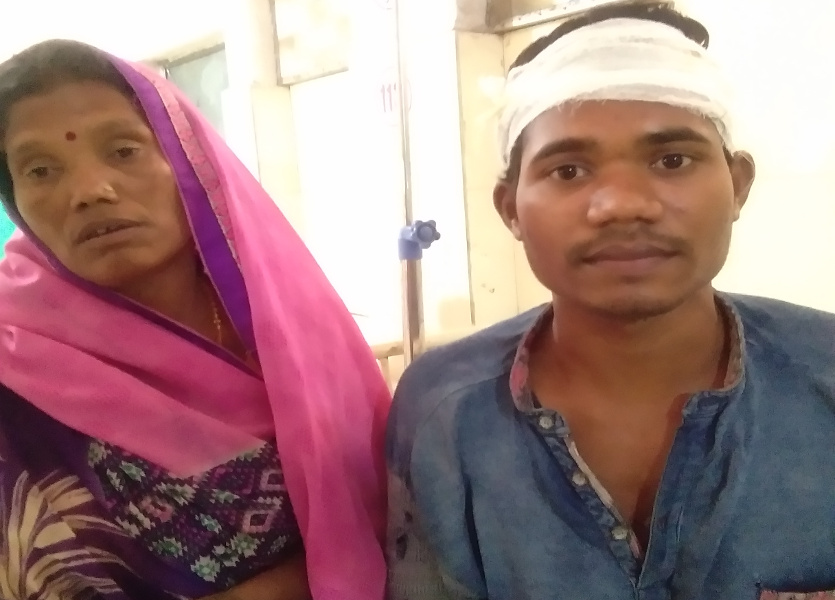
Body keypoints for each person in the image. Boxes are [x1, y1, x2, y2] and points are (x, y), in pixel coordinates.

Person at [386, 3, 835, 599]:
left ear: (738, 186)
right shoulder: (443, 412)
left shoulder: (822, 377)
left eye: (672, 160)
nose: (622, 204)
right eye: (569, 170)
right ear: (510, 209)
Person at [0, 39, 391, 600]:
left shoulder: (294, 328)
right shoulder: (16, 369)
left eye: (124, 150)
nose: (89, 191)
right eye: (40, 169)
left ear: (186, 158)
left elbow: (406, 524)